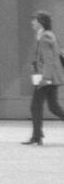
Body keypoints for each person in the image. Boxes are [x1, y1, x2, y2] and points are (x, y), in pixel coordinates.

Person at [25, 10, 64, 145]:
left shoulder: (45, 37)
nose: (32, 22)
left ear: (41, 22)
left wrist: (45, 78)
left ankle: (37, 136)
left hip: (47, 78)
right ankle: (37, 135)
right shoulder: (47, 35)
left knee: (35, 106)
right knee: (53, 107)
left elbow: (49, 60)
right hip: (51, 77)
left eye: (34, 20)